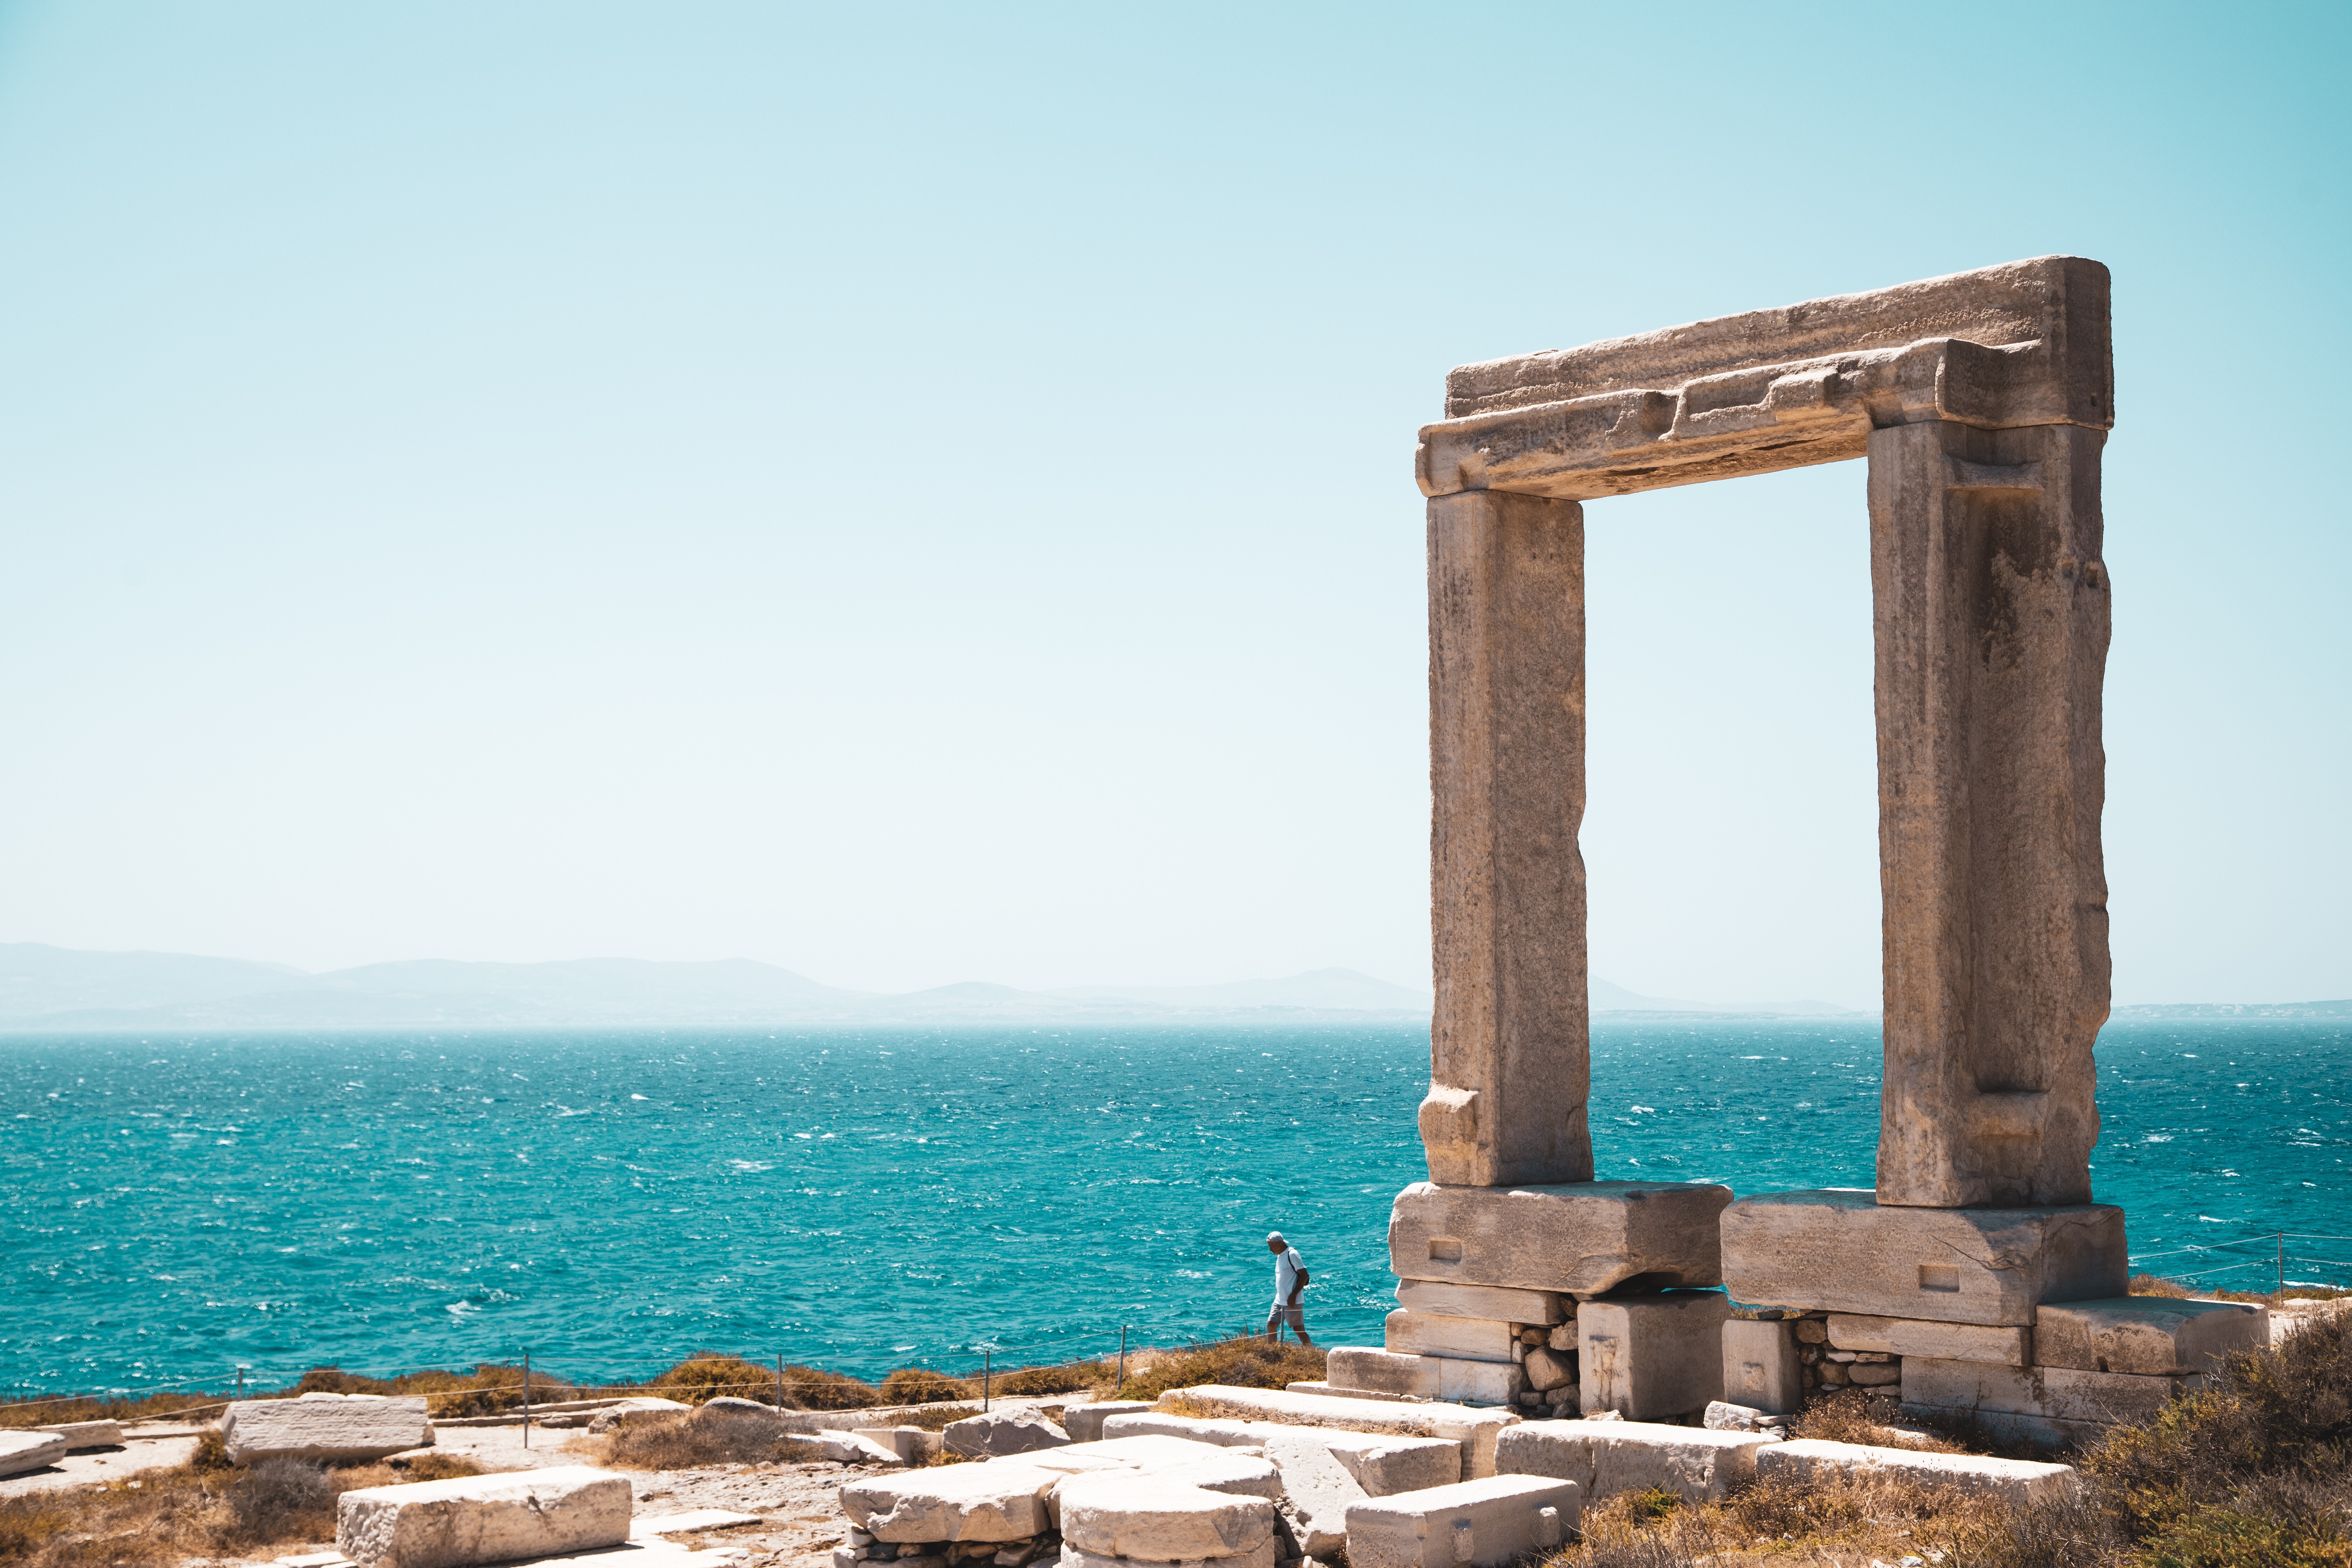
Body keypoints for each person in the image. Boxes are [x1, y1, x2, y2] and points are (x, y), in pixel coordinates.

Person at [1263, 1231, 1312, 1345]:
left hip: (1292, 1301)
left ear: (1280, 1243)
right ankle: (1272, 1353)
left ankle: (1310, 1353)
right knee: (1271, 1325)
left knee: (1298, 1330)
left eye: (1271, 1246)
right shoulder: (1280, 1255)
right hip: (1280, 1301)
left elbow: (1304, 1275)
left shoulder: (1292, 1254)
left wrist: (1294, 1295)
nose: (1270, 1250)